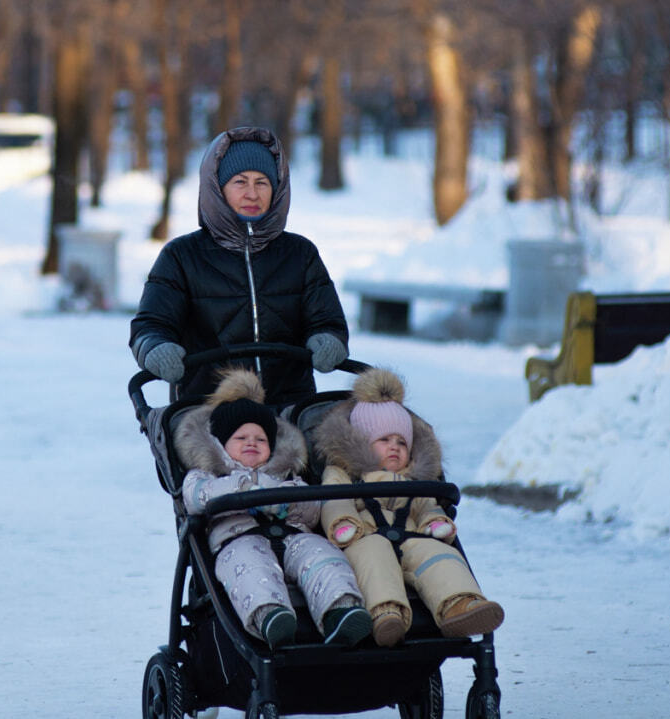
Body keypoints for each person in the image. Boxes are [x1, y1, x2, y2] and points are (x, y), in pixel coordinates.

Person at [130, 126, 349, 404]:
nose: (252, 194)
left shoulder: (300, 254)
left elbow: (327, 320)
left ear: (276, 188)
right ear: (217, 188)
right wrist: (156, 348)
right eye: (240, 182)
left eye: (262, 182)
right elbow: (150, 325)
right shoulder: (182, 256)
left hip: (289, 408)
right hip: (210, 408)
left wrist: (328, 340)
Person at [176, 367, 372, 649]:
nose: (252, 443)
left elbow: (313, 512)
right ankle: (270, 615)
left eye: (261, 439)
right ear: (220, 445)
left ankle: (340, 610)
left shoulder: (287, 477)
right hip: (239, 540)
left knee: (323, 556)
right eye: (241, 439)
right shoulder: (208, 475)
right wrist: (246, 489)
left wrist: (284, 495)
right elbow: (196, 497)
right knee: (250, 567)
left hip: (293, 536)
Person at [312, 367, 505, 647]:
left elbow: (427, 505)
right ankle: (386, 614)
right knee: (374, 560)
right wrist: (342, 523)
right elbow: (334, 499)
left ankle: (460, 605)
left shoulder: (412, 478)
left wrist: (434, 522)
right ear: (361, 443)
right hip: (365, 536)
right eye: (384, 440)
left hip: (413, 536)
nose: (395, 447)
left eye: (401, 442)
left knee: (440, 556)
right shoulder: (344, 473)